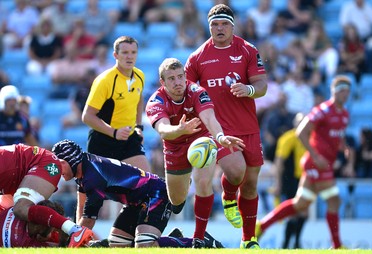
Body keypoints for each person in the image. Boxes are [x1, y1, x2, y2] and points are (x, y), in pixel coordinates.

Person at [184, 4, 268, 249]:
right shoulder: (197, 57)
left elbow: (262, 85)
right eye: (214, 24)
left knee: (251, 183)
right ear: (208, 26)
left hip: (248, 125)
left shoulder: (248, 50)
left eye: (224, 24)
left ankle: (248, 239)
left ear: (233, 25)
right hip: (217, 129)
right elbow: (187, 91)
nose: (219, 29)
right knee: (235, 172)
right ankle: (229, 196)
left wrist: (248, 89)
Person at [51, 139, 224, 249]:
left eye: (60, 164)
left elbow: (88, 220)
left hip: (156, 194)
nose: (57, 170)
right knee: (118, 245)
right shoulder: (84, 170)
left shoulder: (92, 176)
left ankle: (198, 242)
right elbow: (82, 206)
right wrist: (76, 236)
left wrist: (72, 245)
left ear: (71, 161)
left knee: (145, 245)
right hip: (136, 201)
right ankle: (171, 240)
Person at [145, 58, 244, 247]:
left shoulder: (196, 91)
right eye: (172, 79)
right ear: (163, 82)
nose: (178, 82)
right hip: (174, 146)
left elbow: (209, 118)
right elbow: (164, 130)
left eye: (180, 77)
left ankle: (198, 238)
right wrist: (180, 130)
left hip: (202, 140)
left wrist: (221, 137)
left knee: (204, 182)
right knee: (176, 203)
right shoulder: (155, 101)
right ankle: (184, 179)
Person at [255, 75, 352, 249]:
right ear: (334, 92)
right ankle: (337, 245)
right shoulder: (323, 110)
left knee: (300, 204)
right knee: (334, 200)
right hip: (316, 164)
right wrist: (315, 155)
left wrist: (344, 148)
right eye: (342, 90)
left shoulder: (344, 114)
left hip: (323, 163)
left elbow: (337, 136)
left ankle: (261, 226)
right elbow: (301, 131)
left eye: (348, 91)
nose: (345, 94)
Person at [0, 143, 94, 247]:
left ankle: (76, 231)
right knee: (18, 215)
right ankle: (68, 241)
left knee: (21, 209)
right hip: (21, 174)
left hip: (39, 163)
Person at [82, 35, 151, 171]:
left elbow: (138, 99)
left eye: (133, 52)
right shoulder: (104, 81)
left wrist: (138, 127)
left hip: (128, 140)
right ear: (115, 55)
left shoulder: (140, 76)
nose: (129, 57)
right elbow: (87, 116)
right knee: (98, 191)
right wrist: (114, 132)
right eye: (125, 53)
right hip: (103, 142)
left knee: (146, 183)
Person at [259, 113, 307, 249]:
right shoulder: (288, 138)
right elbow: (279, 163)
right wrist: (278, 183)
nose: (302, 124)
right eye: (300, 122)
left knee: (303, 212)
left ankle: (294, 242)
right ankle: (289, 243)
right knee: (295, 212)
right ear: (295, 123)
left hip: (304, 179)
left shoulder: (309, 137)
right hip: (290, 180)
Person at [0, 200, 69, 247]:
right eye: (54, 225)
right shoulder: (22, 242)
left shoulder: (17, 209)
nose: (56, 230)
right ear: (44, 225)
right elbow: (61, 250)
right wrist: (63, 240)